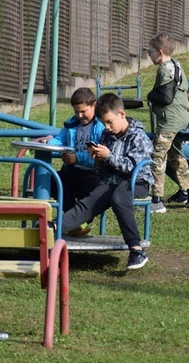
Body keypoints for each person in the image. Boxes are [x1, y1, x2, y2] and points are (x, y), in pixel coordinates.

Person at [60, 93, 154, 270]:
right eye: (104, 123)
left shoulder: (138, 136)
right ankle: (55, 226)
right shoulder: (106, 135)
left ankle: (136, 250)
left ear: (122, 114)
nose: (107, 127)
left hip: (137, 182)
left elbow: (132, 167)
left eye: (110, 122)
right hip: (112, 181)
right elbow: (102, 172)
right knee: (91, 199)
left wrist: (108, 156)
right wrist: (97, 158)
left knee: (118, 197)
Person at [146, 32, 189, 213]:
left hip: (169, 121)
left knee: (157, 157)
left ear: (160, 52)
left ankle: (156, 200)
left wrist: (150, 96)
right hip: (182, 117)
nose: (149, 55)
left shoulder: (164, 69)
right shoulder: (177, 64)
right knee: (176, 155)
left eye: (150, 52)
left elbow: (166, 97)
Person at [45, 87, 105, 233]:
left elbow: (100, 154)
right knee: (53, 180)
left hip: (94, 172)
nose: (80, 115)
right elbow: (61, 140)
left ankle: (74, 221)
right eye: (76, 111)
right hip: (73, 170)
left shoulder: (100, 126)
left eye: (83, 111)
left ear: (94, 105)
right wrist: (47, 144)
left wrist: (77, 158)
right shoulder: (72, 124)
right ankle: (75, 222)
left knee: (92, 191)